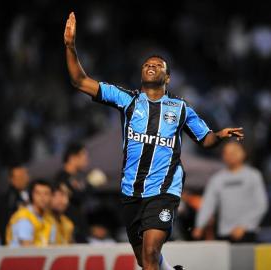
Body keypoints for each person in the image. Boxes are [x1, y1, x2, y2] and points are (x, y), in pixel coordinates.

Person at [64, 12, 244, 270]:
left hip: (164, 191)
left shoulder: (180, 108)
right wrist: (70, 47)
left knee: (150, 254)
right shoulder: (127, 99)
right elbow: (79, 80)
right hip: (130, 193)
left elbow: (205, 140)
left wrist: (219, 136)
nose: (151, 65)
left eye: (158, 65)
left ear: (167, 78)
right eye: (147, 64)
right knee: (145, 261)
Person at [192, 141, 268, 243]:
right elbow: (208, 204)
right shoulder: (217, 179)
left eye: (234, 152)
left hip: (248, 232)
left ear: (243, 153)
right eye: (227, 153)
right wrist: (200, 225)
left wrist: (244, 226)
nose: (231, 155)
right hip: (224, 233)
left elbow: (261, 205)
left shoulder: (253, 176)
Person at [54, 142, 89, 243]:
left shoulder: (78, 178)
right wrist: (91, 185)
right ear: (73, 157)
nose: (86, 160)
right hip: (68, 230)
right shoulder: (61, 178)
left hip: (79, 228)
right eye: (83, 155)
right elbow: (76, 197)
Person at [6, 179, 55, 247]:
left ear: (51, 197)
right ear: (31, 195)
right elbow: (26, 248)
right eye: (38, 193)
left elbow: (52, 247)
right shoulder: (24, 216)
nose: (42, 197)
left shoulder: (50, 219)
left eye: (46, 193)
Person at [0, 163, 30, 245]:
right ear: (11, 179)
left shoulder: (31, 194)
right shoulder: (8, 200)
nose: (22, 179)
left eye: (24, 176)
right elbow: (4, 224)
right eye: (19, 177)